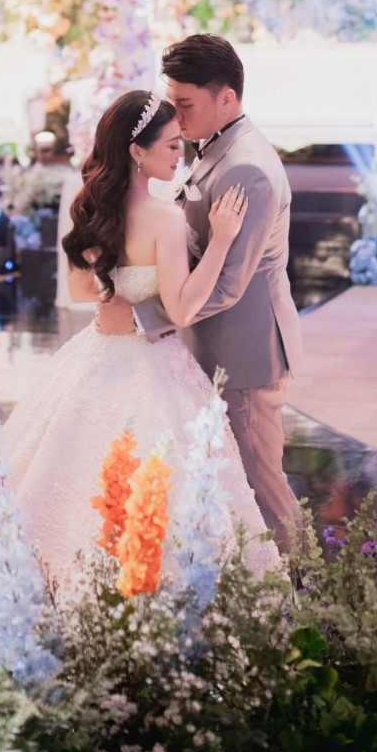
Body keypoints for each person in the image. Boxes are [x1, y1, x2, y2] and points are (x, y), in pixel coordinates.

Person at [0, 86, 280, 690]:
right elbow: (185, 308)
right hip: (151, 365)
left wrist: (122, 293)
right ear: (137, 151)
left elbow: (86, 292)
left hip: (94, 356)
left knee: (49, 473)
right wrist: (220, 241)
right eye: (171, 146)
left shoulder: (91, 209)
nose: (180, 154)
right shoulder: (166, 218)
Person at [94, 34, 306, 555]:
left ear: (226, 99)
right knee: (231, 485)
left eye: (185, 104)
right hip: (212, 347)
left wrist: (140, 316)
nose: (176, 116)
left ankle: (305, 586)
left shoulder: (246, 168)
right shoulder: (218, 148)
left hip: (244, 351)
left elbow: (230, 283)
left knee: (259, 484)